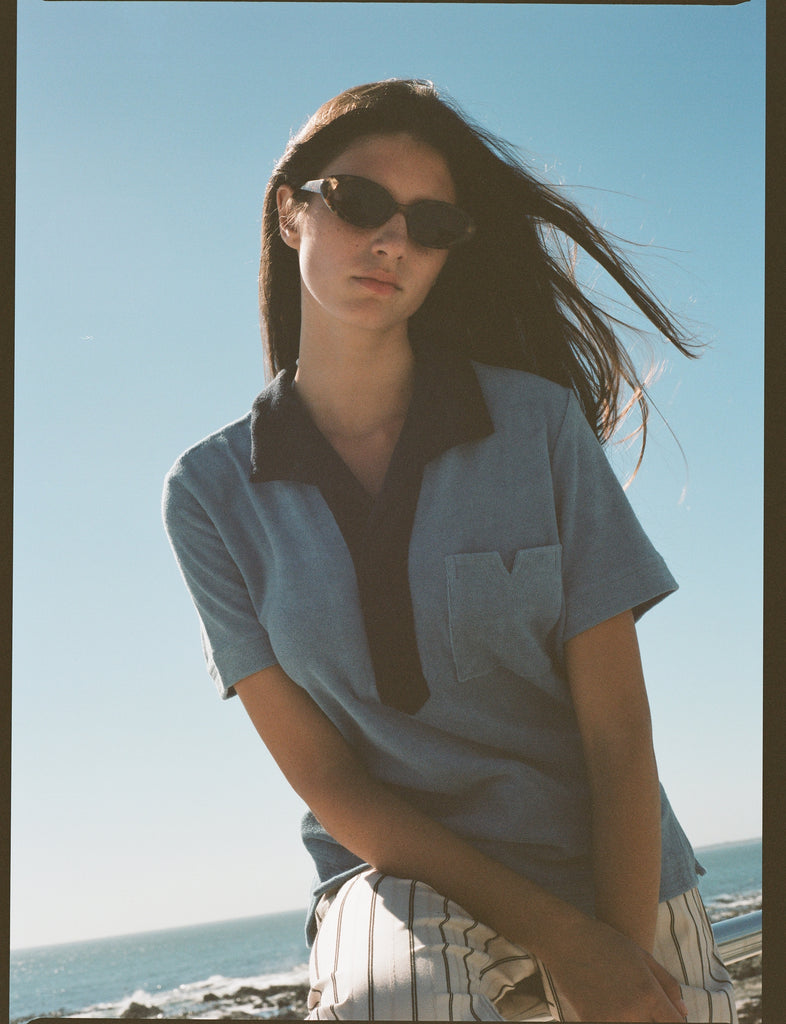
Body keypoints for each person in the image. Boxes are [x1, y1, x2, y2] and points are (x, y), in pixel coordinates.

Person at [162, 79, 738, 1022]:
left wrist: (616, 954)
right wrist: (560, 939)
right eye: (357, 202)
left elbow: (618, 736)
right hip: (398, 879)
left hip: (612, 858)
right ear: (290, 213)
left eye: (430, 225)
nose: (392, 240)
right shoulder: (210, 494)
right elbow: (330, 778)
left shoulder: (538, 427)